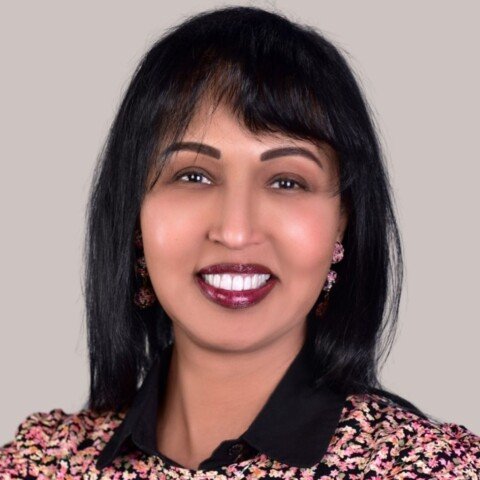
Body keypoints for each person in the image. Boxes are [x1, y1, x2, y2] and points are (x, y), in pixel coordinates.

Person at [1, 5, 479, 479]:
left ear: (343, 223)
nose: (235, 232)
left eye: (287, 181)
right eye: (193, 175)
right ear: (133, 214)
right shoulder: (39, 465)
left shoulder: (434, 469)